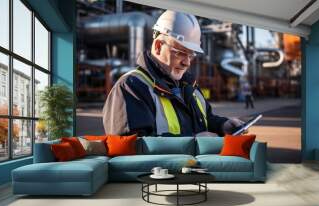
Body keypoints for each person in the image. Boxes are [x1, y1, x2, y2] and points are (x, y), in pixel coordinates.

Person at [102, 10, 245, 137]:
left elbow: (204, 120)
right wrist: (193, 142)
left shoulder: (189, 85)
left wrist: (222, 125)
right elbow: (132, 147)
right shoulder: (131, 87)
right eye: (181, 53)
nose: (187, 63)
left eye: (191, 55)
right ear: (158, 46)